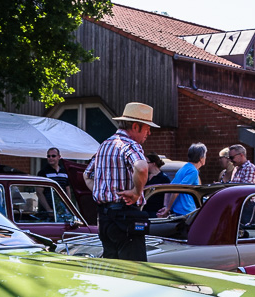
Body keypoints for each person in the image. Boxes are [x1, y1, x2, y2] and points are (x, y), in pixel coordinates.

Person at [82, 102, 155, 261]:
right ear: (135, 127)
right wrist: (136, 193)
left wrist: (103, 193)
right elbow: (142, 167)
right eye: (147, 128)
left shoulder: (104, 145)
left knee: (112, 271)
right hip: (125, 219)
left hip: (104, 219)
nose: (149, 133)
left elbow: (86, 175)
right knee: (133, 273)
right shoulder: (130, 145)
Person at [158, 143, 206, 217]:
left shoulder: (183, 168)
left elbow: (169, 188)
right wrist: (167, 208)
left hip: (177, 210)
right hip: (186, 211)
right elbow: (178, 189)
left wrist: (166, 206)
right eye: (205, 155)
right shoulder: (193, 171)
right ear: (201, 158)